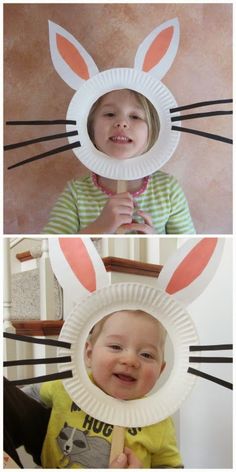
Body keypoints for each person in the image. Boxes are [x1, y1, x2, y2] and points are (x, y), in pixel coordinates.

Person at [39, 310, 183, 468]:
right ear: (89, 354)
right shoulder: (66, 387)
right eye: (115, 346)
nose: (130, 360)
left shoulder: (157, 417)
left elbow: (171, 466)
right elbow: (22, 400)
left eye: (147, 355)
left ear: (160, 371)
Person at [42, 89, 195, 235]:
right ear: (91, 128)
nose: (121, 123)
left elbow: (189, 249)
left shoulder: (168, 190)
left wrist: (155, 243)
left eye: (135, 116)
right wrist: (100, 227)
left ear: (152, 131)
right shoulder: (76, 193)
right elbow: (53, 246)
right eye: (109, 114)